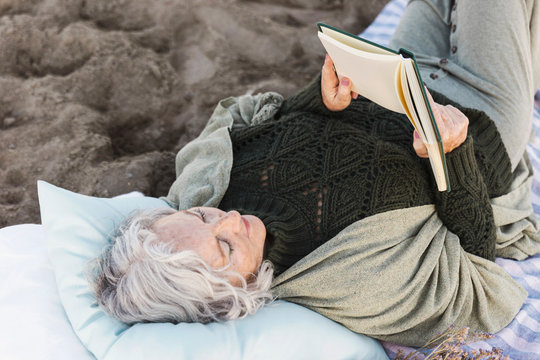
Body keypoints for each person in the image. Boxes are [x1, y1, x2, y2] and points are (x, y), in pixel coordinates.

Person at [90, 0, 540, 345]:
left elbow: (259, 114)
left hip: (396, 76)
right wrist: (456, 154)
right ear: (230, 296)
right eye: (225, 246)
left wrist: (320, 101)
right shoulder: (353, 282)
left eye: (202, 218)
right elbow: (473, 257)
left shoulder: (205, 184)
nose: (229, 219)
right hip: (478, 116)